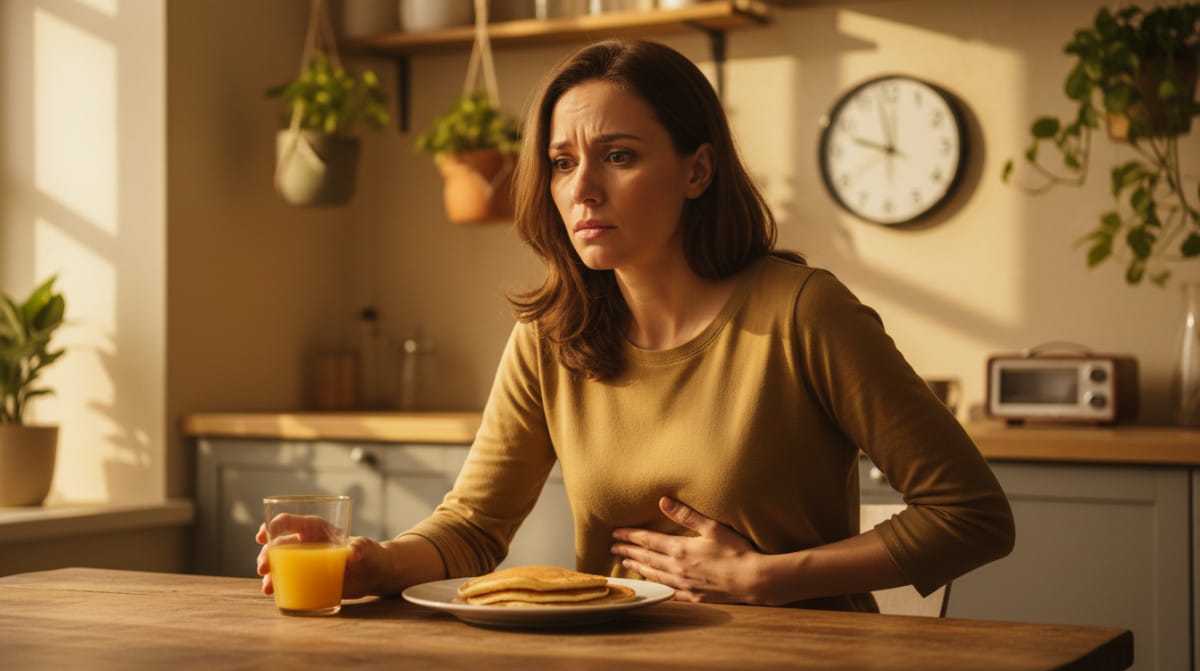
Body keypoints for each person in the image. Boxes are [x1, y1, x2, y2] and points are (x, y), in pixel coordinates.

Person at [257, 39, 1015, 611]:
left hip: (802, 662)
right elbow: (476, 524)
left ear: (697, 170)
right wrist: (377, 562)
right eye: (559, 162)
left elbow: (972, 516)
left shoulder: (803, 311)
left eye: (617, 155)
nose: (582, 187)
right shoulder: (551, 337)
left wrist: (763, 576)